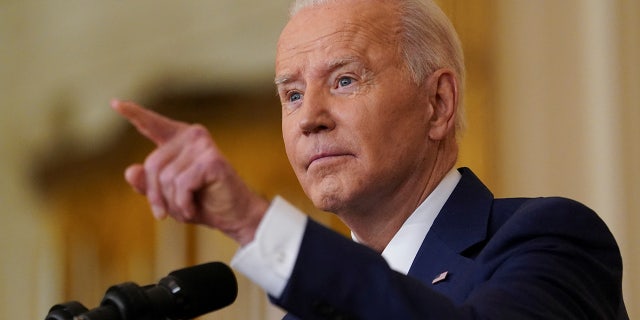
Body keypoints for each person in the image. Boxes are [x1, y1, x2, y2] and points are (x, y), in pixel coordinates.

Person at [111, 0, 628, 318]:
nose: (309, 117)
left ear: (438, 104)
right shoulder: (309, 311)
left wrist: (253, 222)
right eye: (291, 95)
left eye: (344, 80)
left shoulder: (550, 238)